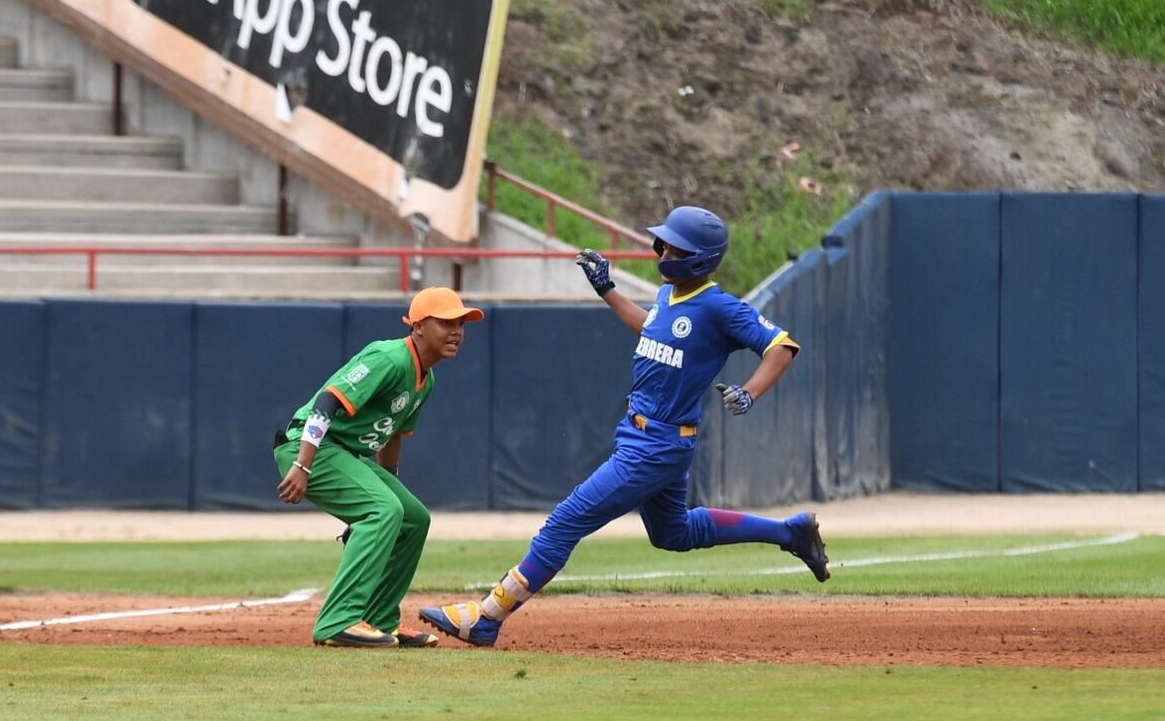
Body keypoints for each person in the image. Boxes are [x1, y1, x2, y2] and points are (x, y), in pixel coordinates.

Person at [419, 205, 829, 647]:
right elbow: (650, 331)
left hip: (657, 445)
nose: (662, 248)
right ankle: (790, 532)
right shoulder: (668, 295)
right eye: (665, 240)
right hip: (644, 435)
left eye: (673, 244)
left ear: (698, 257)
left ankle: (487, 616)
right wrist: (609, 291)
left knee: (564, 522)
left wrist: (749, 391)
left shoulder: (718, 306)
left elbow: (782, 346)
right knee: (674, 534)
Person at [274, 287, 484, 648]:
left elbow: (393, 434)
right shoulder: (390, 358)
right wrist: (302, 464)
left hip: (343, 453)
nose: (457, 331)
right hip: (311, 447)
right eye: (446, 322)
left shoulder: (426, 379)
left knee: (413, 517)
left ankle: (380, 619)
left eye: (461, 323)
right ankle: (337, 622)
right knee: (383, 510)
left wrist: (389, 485)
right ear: (417, 326)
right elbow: (328, 399)